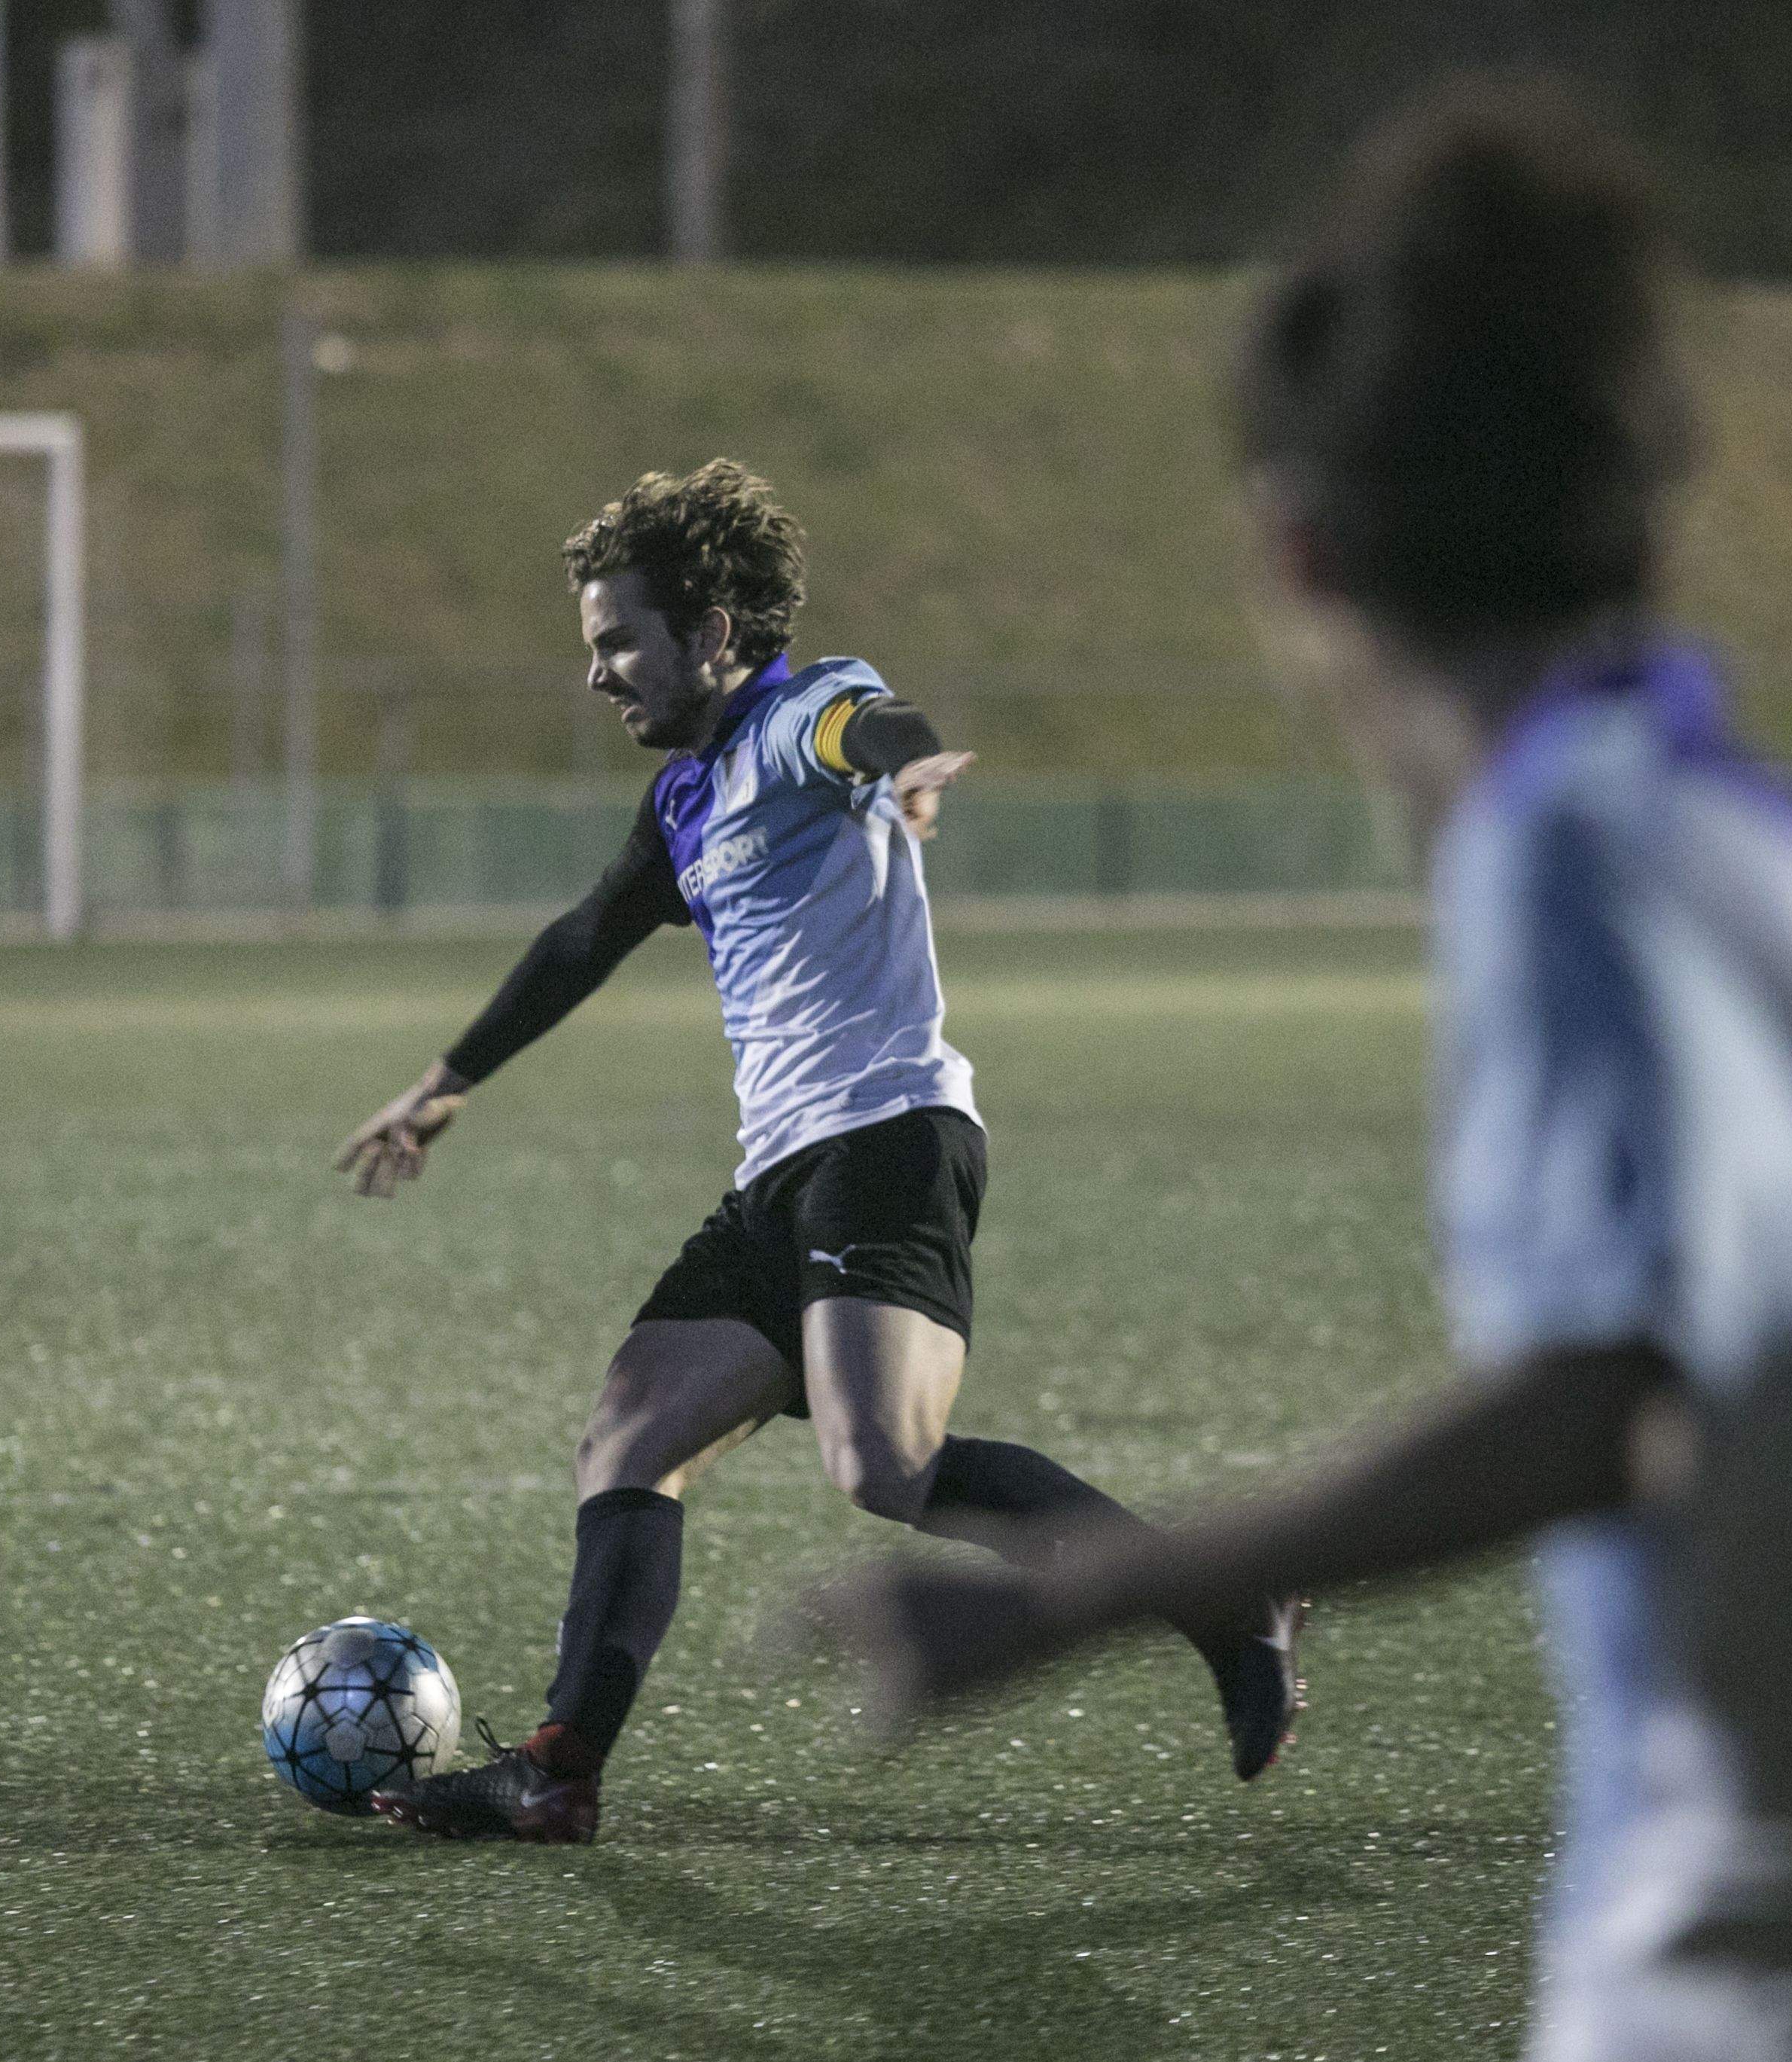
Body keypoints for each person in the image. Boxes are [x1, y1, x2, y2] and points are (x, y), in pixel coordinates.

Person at [802, 87, 1792, 2062]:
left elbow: (1620, 1386)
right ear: (1647, 521)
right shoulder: (1702, 818)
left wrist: (1106, 1587)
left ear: (1289, 549)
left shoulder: (1570, 848)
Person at [335, 459, 1301, 1844]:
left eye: (619, 641)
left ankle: (1227, 1591)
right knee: (630, 1432)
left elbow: (864, 727)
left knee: (883, 1468)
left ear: (712, 630)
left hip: (889, 1142)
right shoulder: (684, 797)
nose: (601, 673)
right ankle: (559, 1769)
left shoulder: (795, 712)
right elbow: (582, 939)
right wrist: (445, 1083)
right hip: (781, 1173)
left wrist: (907, 765)